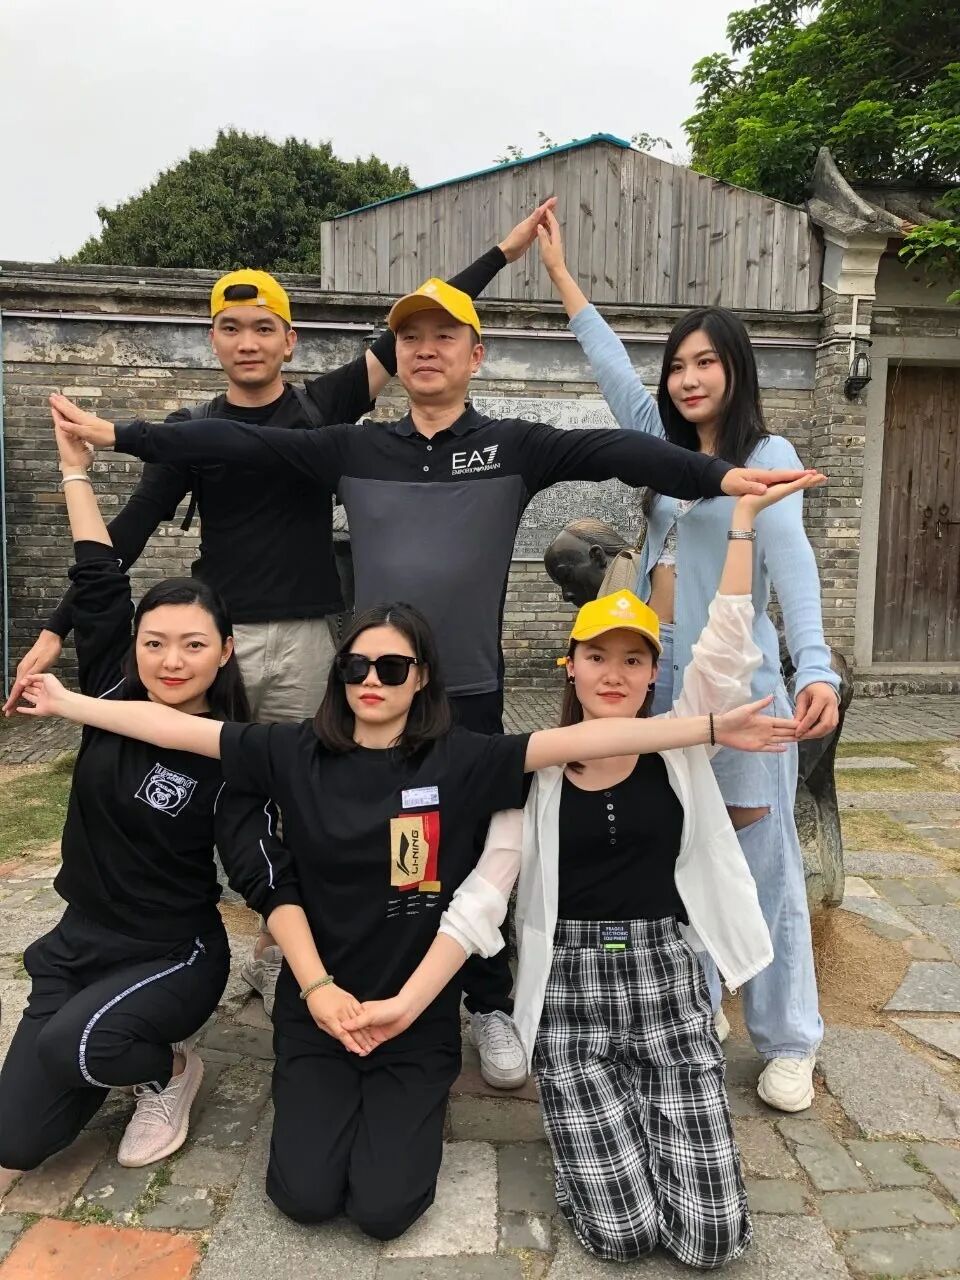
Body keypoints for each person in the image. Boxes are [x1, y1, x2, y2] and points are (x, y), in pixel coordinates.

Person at [49, 281, 811, 1089]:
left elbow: (617, 450)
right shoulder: (355, 448)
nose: (425, 350)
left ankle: (488, 1000)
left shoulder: (514, 446)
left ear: (475, 355)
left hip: (470, 693)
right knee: (384, 846)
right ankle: (370, 984)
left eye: (445, 337)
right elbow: (237, 444)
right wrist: (122, 436)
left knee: (479, 849)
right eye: (411, 337)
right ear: (397, 354)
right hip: (374, 692)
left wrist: (719, 478)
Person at [11, 599, 799, 1240]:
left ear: (421, 678)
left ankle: (408, 1107)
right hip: (318, 1008)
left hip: (414, 1015)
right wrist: (68, 702)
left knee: (386, 1208)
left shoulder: (463, 759)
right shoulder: (293, 752)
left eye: (392, 667)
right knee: (304, 1196)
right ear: (339, 675)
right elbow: (177, 727)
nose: (372, 680)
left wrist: (708, 729)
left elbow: (589, 738)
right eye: (356, 666)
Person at [17, 205, 554, 1031]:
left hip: (309, 641)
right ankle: (207, 943)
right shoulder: (192, 433)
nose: (247, 342)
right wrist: (55, 631)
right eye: (230, 328)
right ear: (213, 341)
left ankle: (297, 951)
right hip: (220, 648)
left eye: (263, 327)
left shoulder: (325, 407)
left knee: (318, 797)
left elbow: (422, 328)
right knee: (218, 794)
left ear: (289, 339)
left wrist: (504, 252)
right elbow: (125, 533)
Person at [538, 208, 840, 1112]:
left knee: (762, 860)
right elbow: (610, 368)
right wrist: (561, 277)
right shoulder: (662, 449)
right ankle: (698, 1004)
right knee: (678, 852)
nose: (690, 378)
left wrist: (816, 666)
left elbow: (793, 566)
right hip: (654, 687)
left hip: (738, 686)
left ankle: (790, 1039)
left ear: (736, 371)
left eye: (707, 362)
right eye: (679, 366)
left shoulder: (767, 455)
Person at [0, 420, 311, 1173]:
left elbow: (259, 871)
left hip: (172, 953)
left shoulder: (233, 753)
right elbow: (99, 575)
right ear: (135, 647)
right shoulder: (111, 689)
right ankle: (100, 1043)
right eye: (155, 643)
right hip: (79, 942)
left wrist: (317, 976)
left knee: (79, 1044)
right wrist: (75, 470)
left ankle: (168, 1071)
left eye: (194, 645)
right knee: (16, 1141)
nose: (172, 661)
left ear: (227, 651)